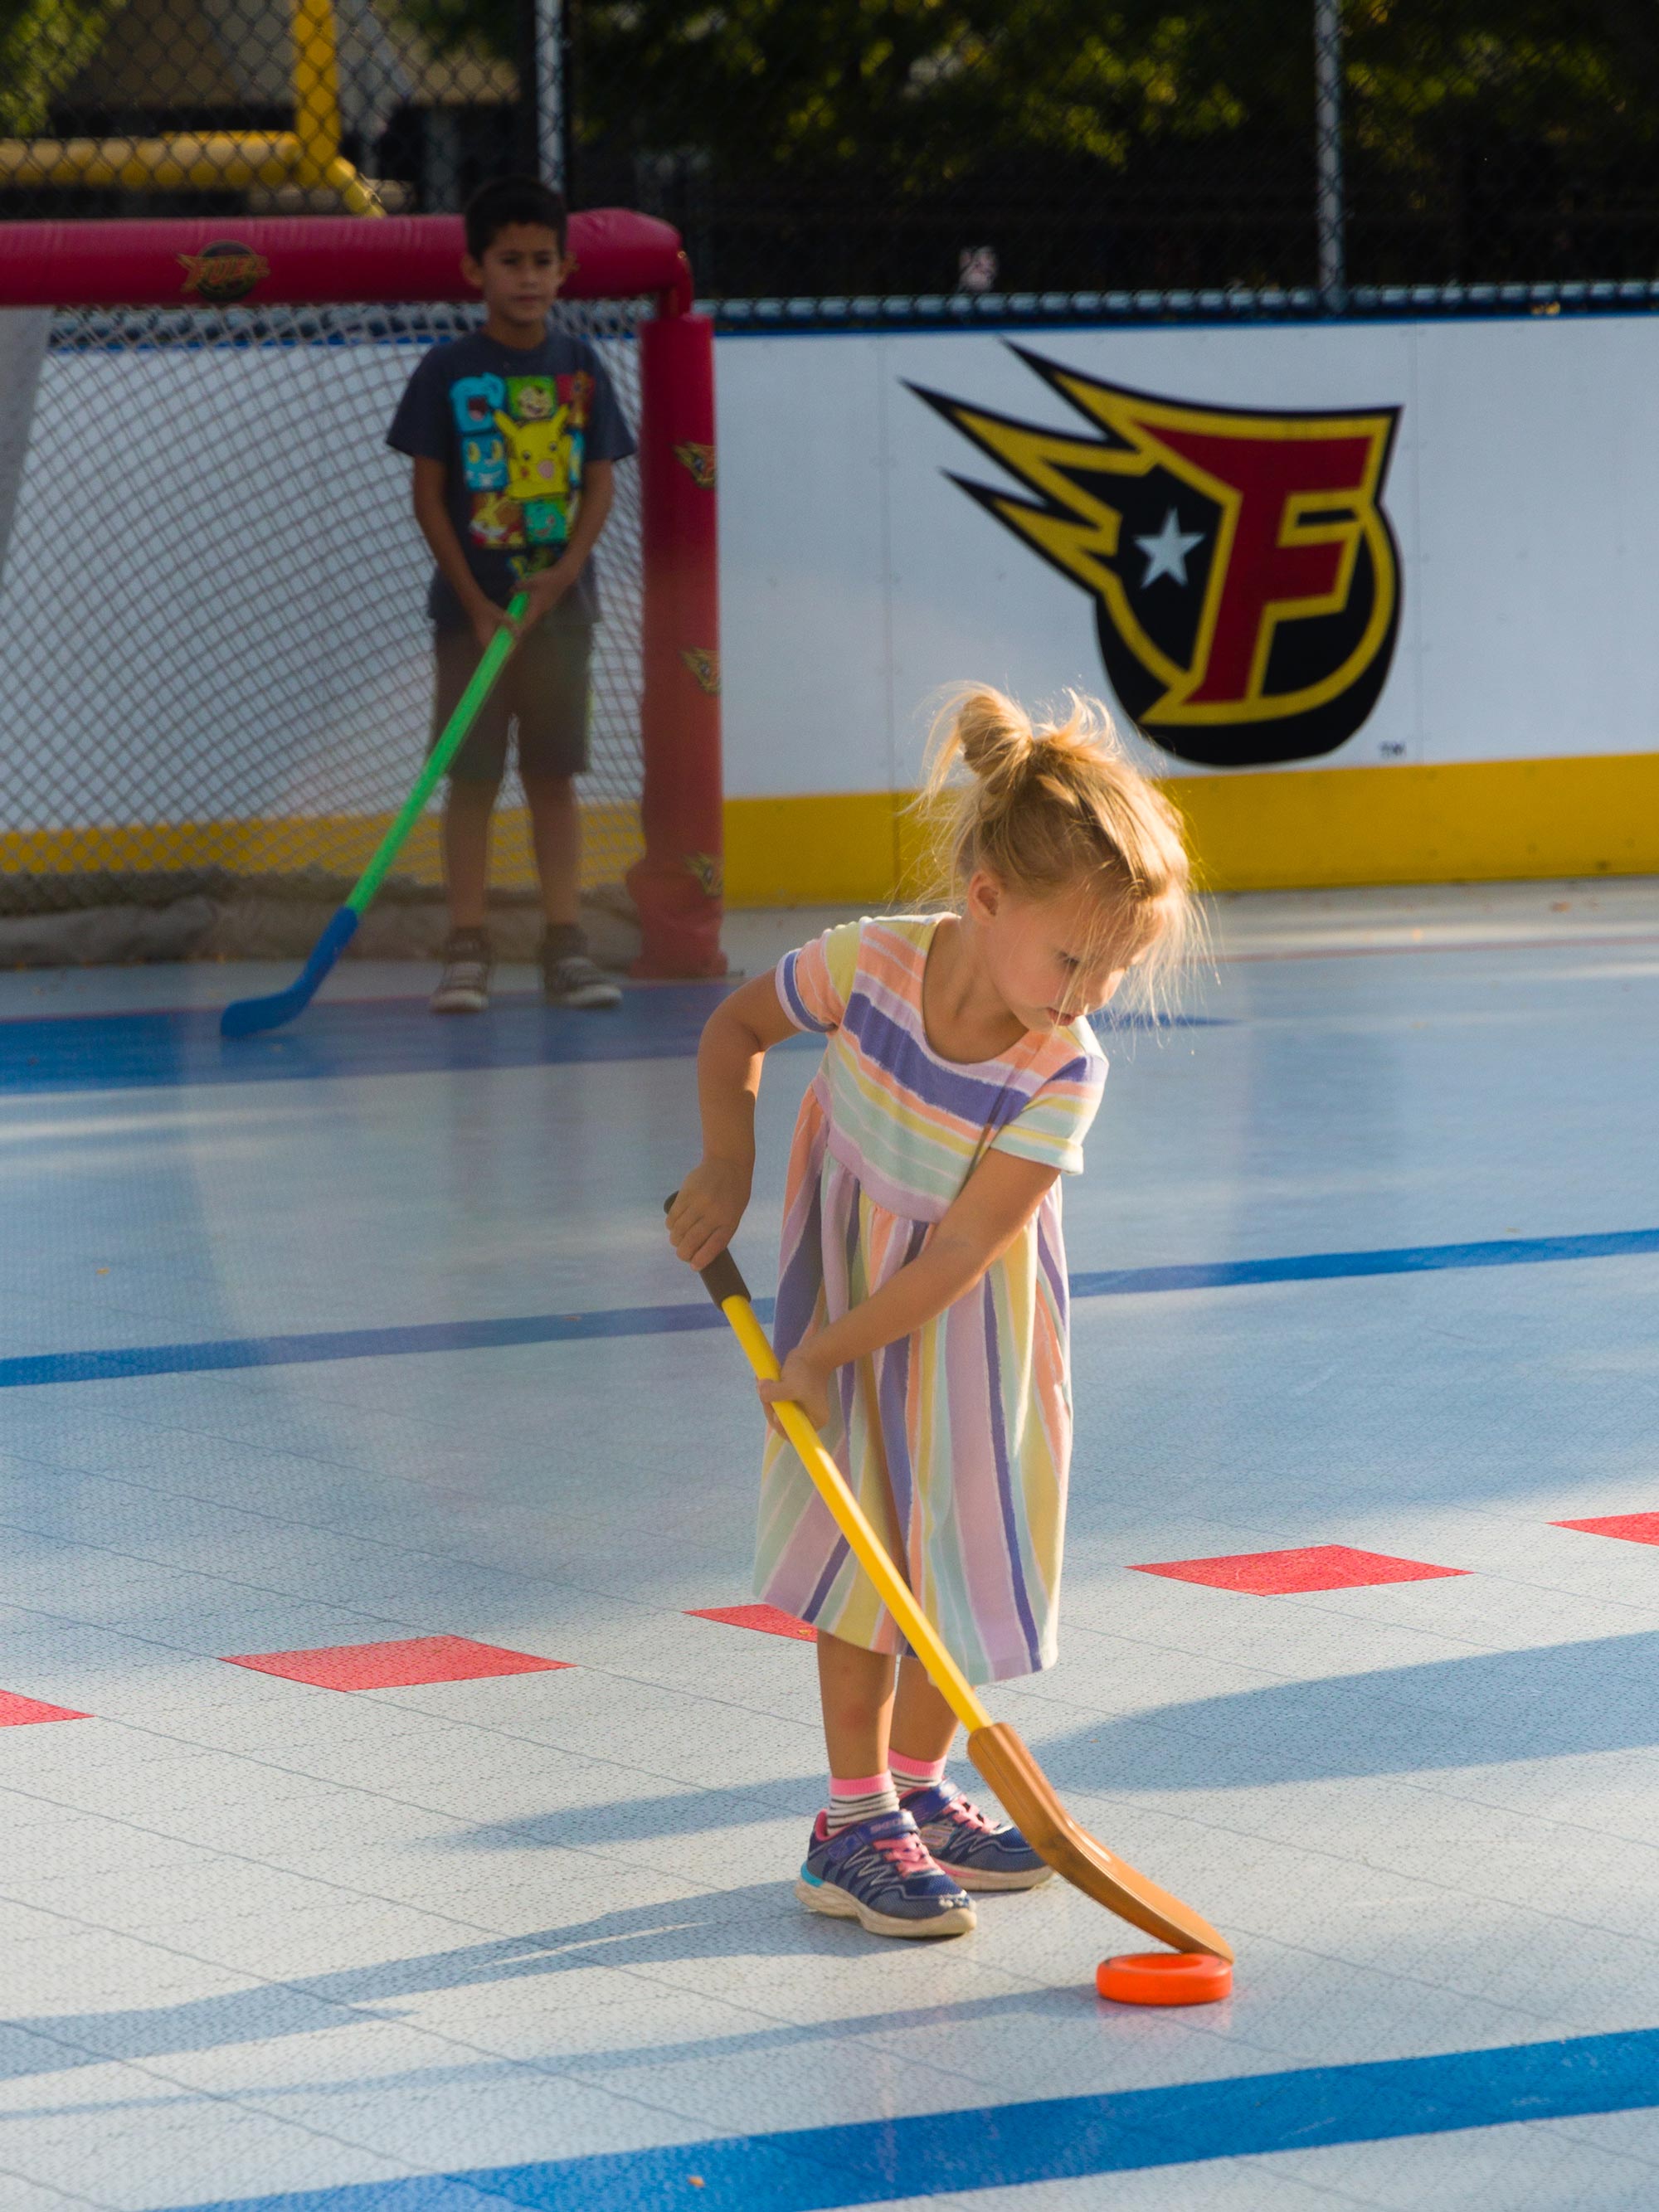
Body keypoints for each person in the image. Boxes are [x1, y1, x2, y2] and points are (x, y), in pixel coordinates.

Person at [668, 686, 1192, 1938]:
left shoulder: (1064, 1064)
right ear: (988, 898)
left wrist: (823, 1354)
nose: (1089, 992)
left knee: (955, 1553)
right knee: (866, 1564)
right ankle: (850, 1818)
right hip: (848, 1297)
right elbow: (739, 1024)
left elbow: (964, 1247)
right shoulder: (870, 963)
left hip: (970, 1333)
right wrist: (727, 1165)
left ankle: (916, 1785)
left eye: (1116, 968)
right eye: (1076, 958)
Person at [387, 175, 635, 1014]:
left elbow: (598, 485)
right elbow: (427, 495)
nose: (527, 277)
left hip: (561, 618)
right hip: (470, 620)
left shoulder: (580, 366)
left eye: (542, 261)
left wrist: (561, 576)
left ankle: (564, 942)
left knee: (554, 778)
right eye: (509, 261)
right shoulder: (446, 370)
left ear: (563, 270)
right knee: (471, 782)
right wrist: (478, 599)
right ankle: (467, 945)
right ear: (475, 270)